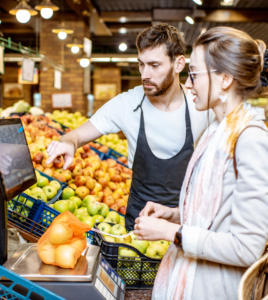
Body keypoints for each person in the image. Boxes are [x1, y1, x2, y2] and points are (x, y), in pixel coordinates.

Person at [133, 27, 268, 300]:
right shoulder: (216, 131)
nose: (189, 84)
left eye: (194, 74)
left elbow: (246, 247)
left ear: (225, 78)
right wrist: (175, 214)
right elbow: (218, 215)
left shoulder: (250, 139)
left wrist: (173, 232)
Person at [46, 24, 214, 230]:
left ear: (178, 63)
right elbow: (77, 135)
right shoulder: (127, 103)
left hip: (187, 222)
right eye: (141, 64)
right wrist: (67, 143)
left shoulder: (202, 106)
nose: (145, 74)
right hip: (139, 223)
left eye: (154, 65)